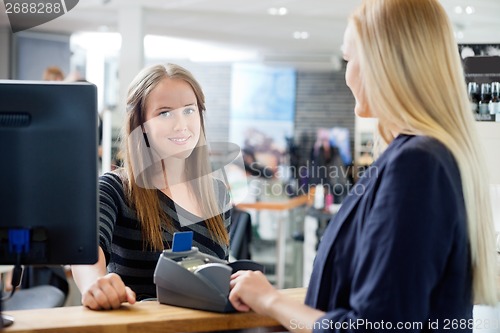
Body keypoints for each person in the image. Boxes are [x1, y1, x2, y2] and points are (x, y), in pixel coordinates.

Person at [228, 0, 498, 331]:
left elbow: (373, 326)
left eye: (349, 58)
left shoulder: (416, 164)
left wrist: (270, 300)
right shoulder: (426, 155)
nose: (348, 73)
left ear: (381, 63)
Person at [71, 63, 232, 310]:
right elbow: (87, 251)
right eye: (165, 113)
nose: (181, 125)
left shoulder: (217, 193)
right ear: (141, 124)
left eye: (189, 110)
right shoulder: (115, 188)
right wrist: (96, 284)